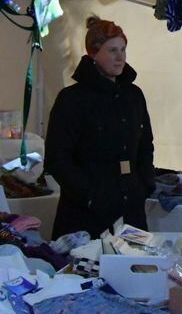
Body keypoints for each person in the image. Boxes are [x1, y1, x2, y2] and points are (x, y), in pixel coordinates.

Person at [45, 16, 155, 239]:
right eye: (112, 50)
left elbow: (145, 146)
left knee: (134, 259)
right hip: (86, 215)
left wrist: (144, 184)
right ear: (93, 54)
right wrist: (90, 195)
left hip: (131, 210)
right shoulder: (72, 99)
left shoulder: (134, 96)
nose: (120, 57)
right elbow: (57, 158)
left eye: (123, 49)